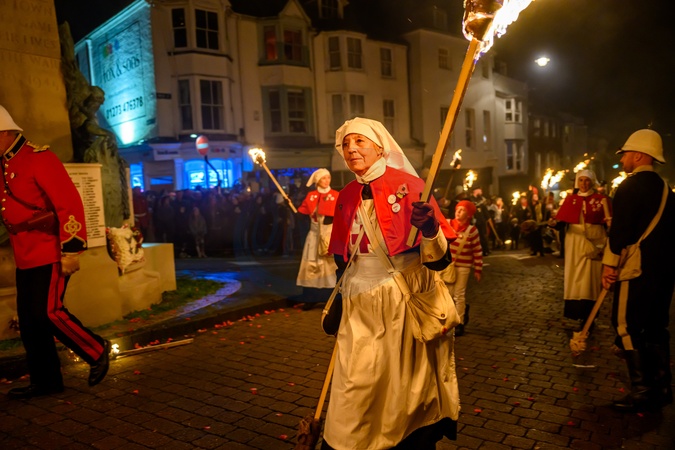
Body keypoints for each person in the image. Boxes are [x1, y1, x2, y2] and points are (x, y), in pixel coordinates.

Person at [322, 117, 459, 449]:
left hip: (400, 300)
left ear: (380, 147)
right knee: (354, 383)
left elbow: (440, 259)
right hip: (358, 302)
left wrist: (430, 229)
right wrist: (339, 297)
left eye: (359, 141)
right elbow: (342, 258)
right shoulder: (346, 195)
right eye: (346, 144)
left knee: (401, 384)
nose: (351, 149)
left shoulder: (411, 186)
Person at [0, 105, 110, 399]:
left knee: (48, 312)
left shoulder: (39, 157)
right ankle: (46, 381)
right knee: (30, 321)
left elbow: (68, 203)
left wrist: (71, 249)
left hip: (49, 251)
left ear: (5, 132)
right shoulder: (3, 164)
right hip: (25, 253)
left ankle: (96, 350)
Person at [601, 129, 675, 412]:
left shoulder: (629, 187)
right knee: (656, 325)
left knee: (625, 324)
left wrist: (608, 266)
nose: (623, 159)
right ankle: (663, 386)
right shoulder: (666, 189)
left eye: (626, 154)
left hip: (637, 268)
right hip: (665, 270)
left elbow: (619, 233)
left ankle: (642, 390)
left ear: (640, 155)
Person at [548, 170, 611, 327]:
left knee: (590, 277)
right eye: (581, 180)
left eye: (587, 180)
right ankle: (577, 312)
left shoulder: (601, 200)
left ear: (592, 181)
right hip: (574, 242)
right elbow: (562, 221)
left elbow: (608, 223)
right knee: (575, 276)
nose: (584, 183)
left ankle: (590, 315)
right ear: (577, 182)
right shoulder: (571, 200)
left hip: (594, 241)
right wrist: (554, 223)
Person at [295, 168, 339, 310]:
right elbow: (302, 213)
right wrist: (292, 207)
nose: (327, 181)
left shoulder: (335, 195)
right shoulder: (311, 196)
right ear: (317, 181)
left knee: (329, 267)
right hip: (313, 236)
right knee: (311, 265)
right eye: (323, 178)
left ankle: (330, 298)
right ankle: (310, 298)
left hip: (328, 236)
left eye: (328, 177)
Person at [443, 200, 483, 336]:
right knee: (447, 293)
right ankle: (449, 319)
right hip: (448, 266)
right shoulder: (447, 224)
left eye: (462, 210)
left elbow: (477, 250)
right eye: (457, 209)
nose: (458, 212)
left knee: (459, 294)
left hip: (463, 267)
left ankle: (459, 322)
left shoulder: (472, 230)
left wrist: (478, 268)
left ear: (469, 214)